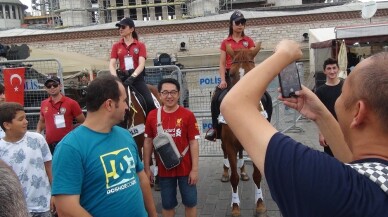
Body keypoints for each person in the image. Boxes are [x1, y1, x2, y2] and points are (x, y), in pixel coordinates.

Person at [221, 39, 388, 216]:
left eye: (343, 92)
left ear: (358, 112)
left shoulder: (324, 179)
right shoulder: (372, 178)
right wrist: (321, 115)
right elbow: (352, 162)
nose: (338, 97)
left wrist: (284, 55)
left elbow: (233, 105)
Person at [51, 74, 157, 217]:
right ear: (109, 105)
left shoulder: (125, 135)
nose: (127, 107)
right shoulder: (70, 148)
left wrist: (153, 214)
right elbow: (66, 208)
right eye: (124, 101)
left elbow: (141, 178)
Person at [143, 78, 200, 217]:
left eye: (173, 92)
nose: (169, 96)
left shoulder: (188, 115)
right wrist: (147, 169)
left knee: (190, 203)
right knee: (167, 205)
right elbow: (148, 142)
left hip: (186, 170)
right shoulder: (152, 116)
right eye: (165, 92)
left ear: (179, 94)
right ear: (160, 95)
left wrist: (195, 169)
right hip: (164, 171)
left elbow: (193, 143)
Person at [206, 10, 257, 141]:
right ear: (231, 24)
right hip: (231, 75)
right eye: (238, 22)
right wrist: (223, 80)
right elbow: (222, 64)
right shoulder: (225, 43)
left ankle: (266, 122)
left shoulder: (249, 41)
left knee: (265, 97)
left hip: (246, 75)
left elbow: (252, 61)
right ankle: (215, 129)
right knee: (216, 97)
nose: (241, 25)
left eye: (243, 22)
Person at [0, 102, 53, 217]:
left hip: (43, 204)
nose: (26, 121)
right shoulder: (1, 148)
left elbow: (49, 167)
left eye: (25, 117)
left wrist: (55, 193)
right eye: (20, 119)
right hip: (17, 208)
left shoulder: (38, 139)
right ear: (7, 125)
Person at [109, 17, 156, 119]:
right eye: (119, 27)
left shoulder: (140, 45)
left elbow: (141, 64)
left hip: (137, 79)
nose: (120, 29)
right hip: (122, 79)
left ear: (131, 29)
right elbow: (111, 64)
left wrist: (133, 77)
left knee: (149, 101)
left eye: (123, 27)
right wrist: (115, 78)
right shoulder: (116, 46)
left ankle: (151, 124)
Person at [36, 76, 85, 154]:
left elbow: (83, 122)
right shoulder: (44, 103)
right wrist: (37, 133)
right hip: (50, 144)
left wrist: (77, 137)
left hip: (67, 144)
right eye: (49, 86)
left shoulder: (71, 103)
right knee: (52, 165)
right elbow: (41, 121)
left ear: (60, 86)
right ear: (46, 88)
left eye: (54, 85)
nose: (52, 87)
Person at [315, 58, 343, 157]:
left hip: (346, 129)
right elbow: (318, 114)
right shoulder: (320, 91)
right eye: (329, 68)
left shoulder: (346, 86)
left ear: (338, 69)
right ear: (324, 71)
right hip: (329, 131)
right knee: (331, 159)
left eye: (334, 68)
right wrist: (321, 133)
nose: (332, 71)